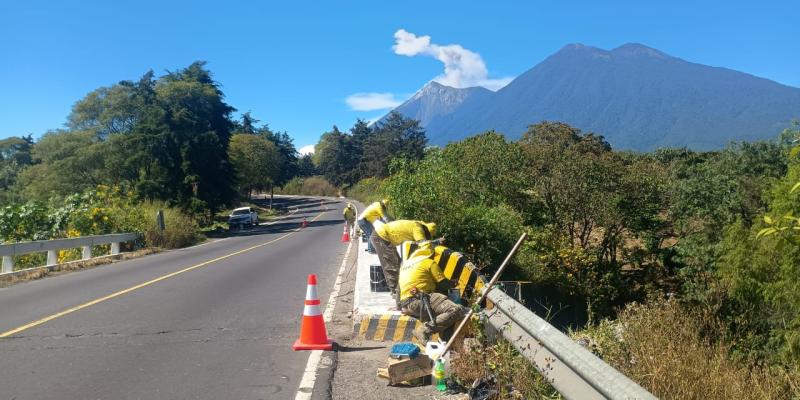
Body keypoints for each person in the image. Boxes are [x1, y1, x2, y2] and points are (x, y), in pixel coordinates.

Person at [398, 242, 465, 343]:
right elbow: (444, 284)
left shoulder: (405, 265)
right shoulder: (428, 262)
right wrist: (453, 283)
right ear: (430, 253)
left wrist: (401, 306)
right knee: (456, 310)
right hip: (420, 300)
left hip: (406, 305)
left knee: (442, 312)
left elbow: (398, 288)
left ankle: (442, 340)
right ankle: (424, 330)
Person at [372, 220, 438, 306]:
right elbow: (424, 245)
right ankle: (396, 294)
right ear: (427, 231)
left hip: (383, 237)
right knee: (392, 266)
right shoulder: (418, 228)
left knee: (398, 265)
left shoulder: (416, 224)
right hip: (381, 236)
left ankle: (398, 291)